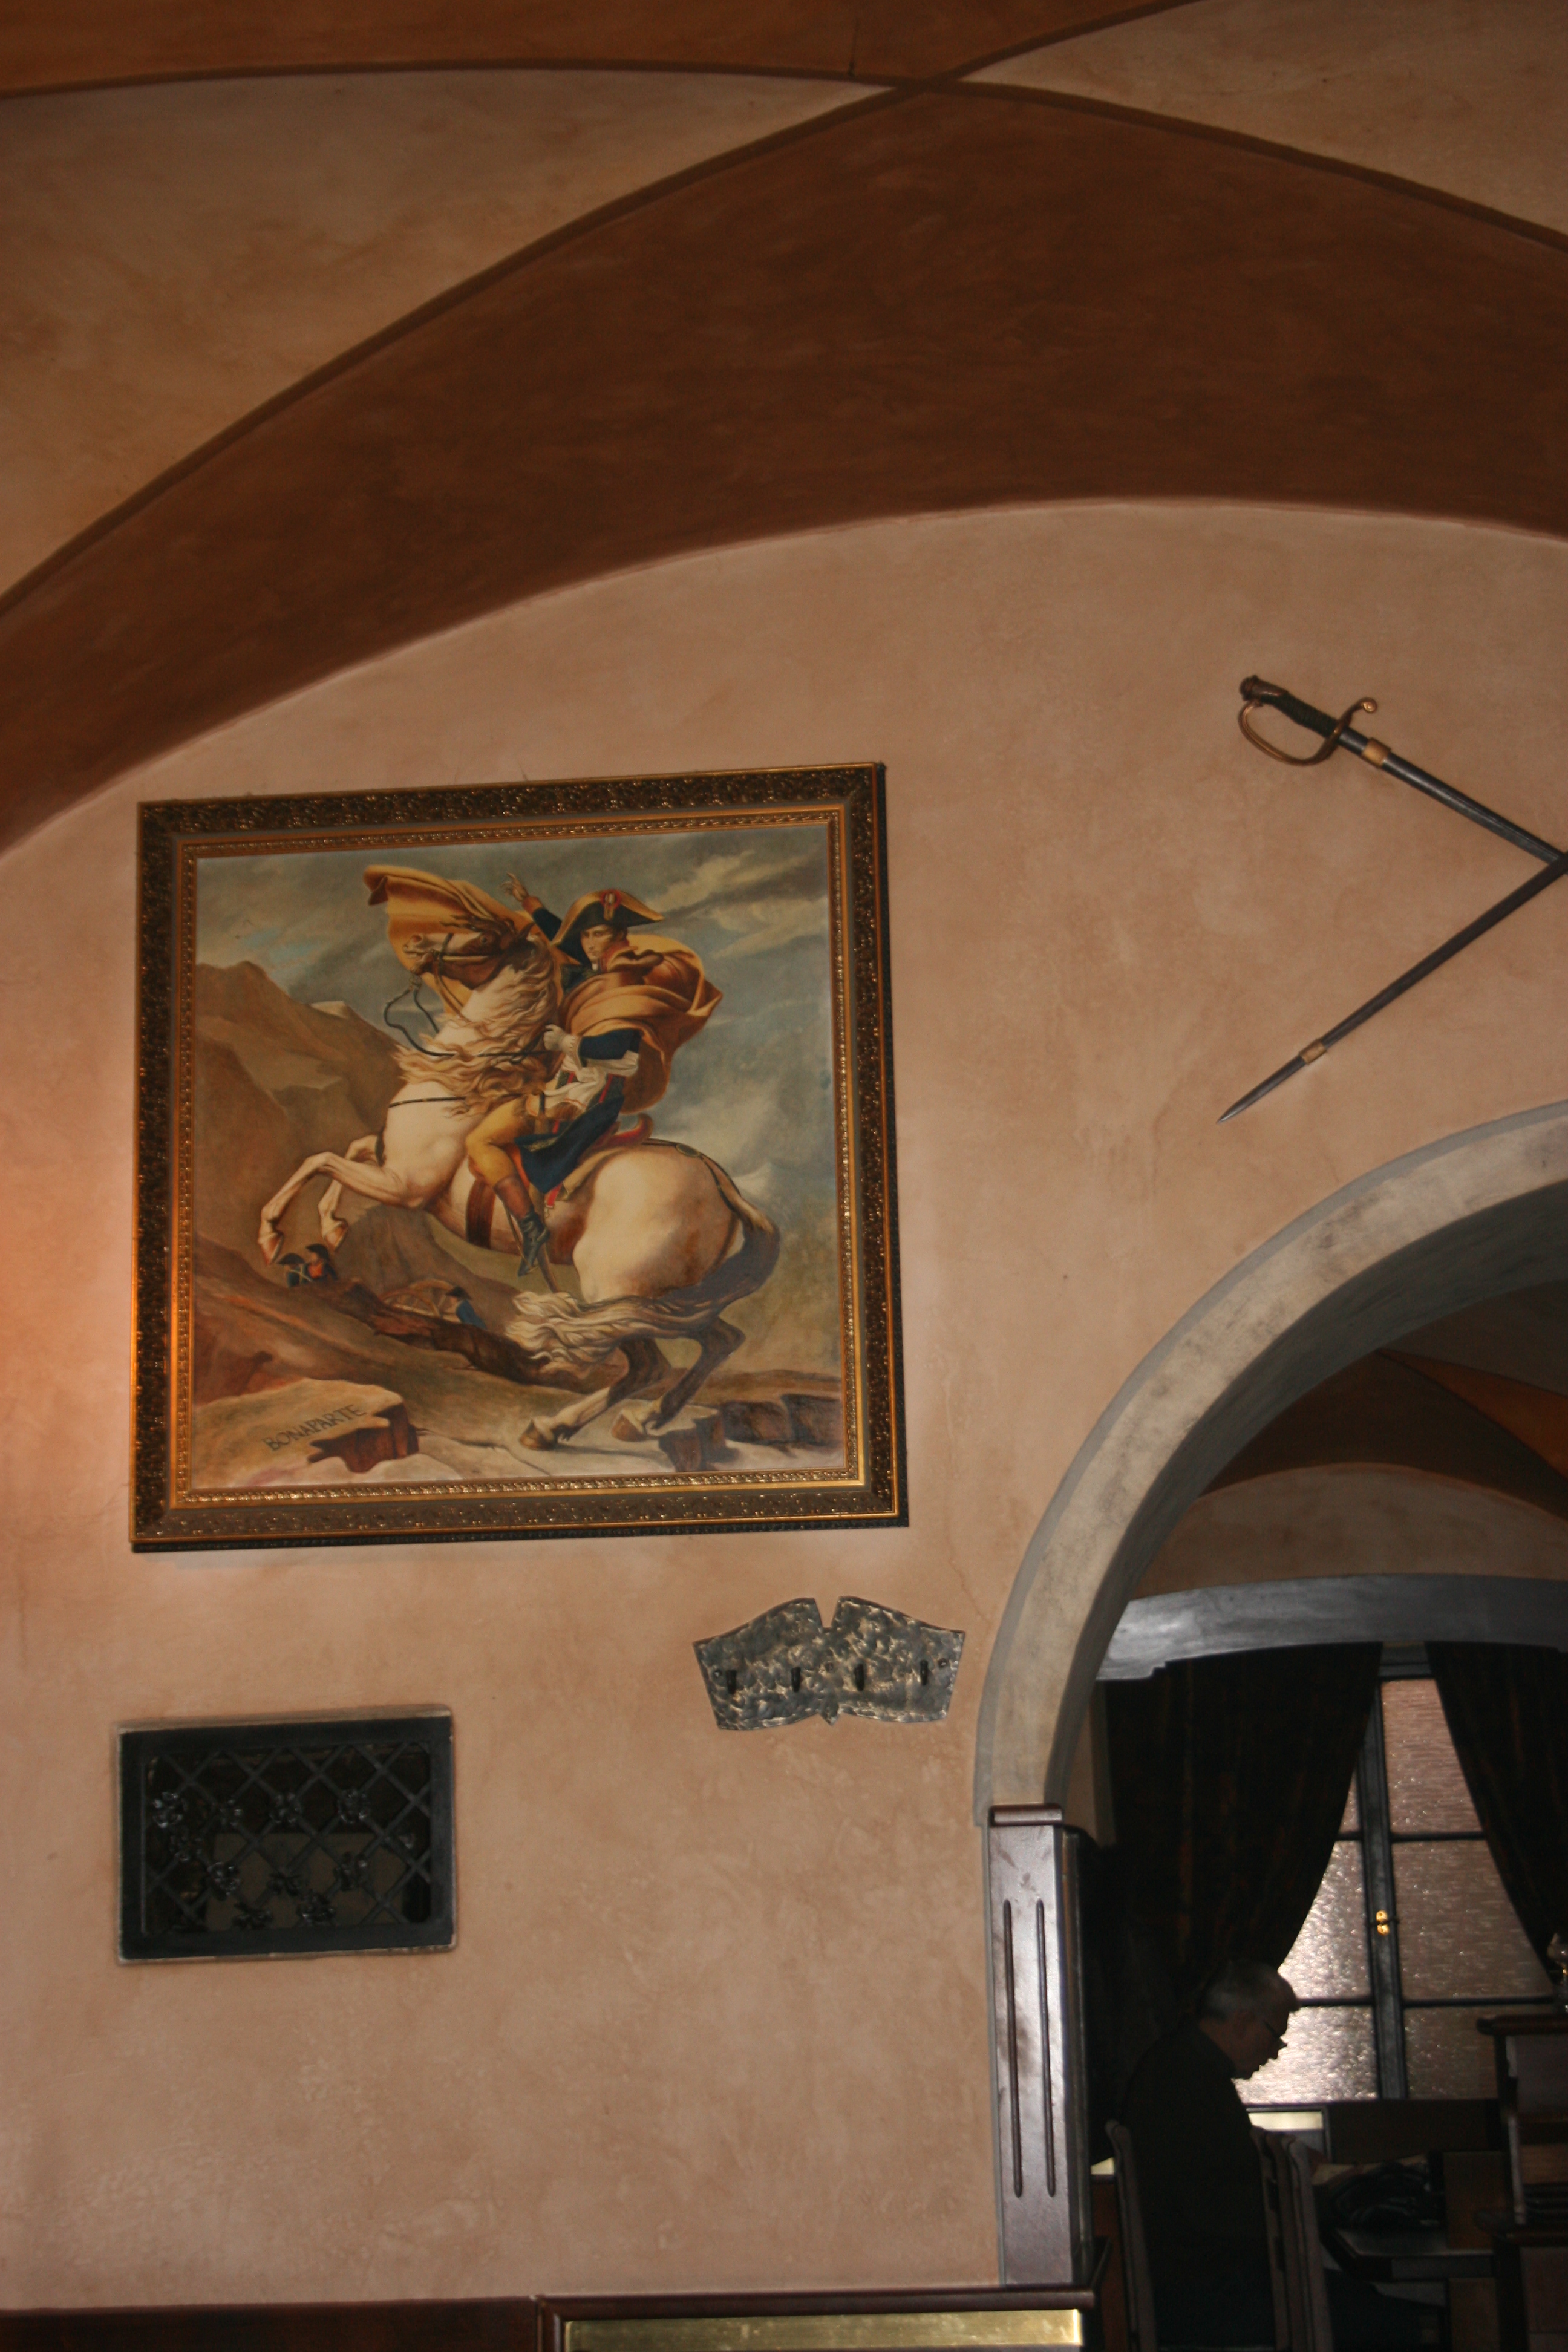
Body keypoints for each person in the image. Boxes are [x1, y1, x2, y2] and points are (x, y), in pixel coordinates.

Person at [1123, 1961, 1424, 2351]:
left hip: (1196, 2281)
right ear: (1243, 2021)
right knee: (1387, 2322)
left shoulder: (1184, 2065)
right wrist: (1323, 2198)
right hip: (1202, 2295)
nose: (1276, 2052)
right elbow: (1216, 2211)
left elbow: (1217, 2176)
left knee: (1368, 2306)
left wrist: (1280, 2163)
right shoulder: (1184, 2080)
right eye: (1275, 2036)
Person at [466, 887, 719, 1270]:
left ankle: (531, 1227)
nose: (587, 943)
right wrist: (532, 905)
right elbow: (563, 939)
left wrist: (565, 1042)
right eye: (585, 935)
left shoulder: (622, 980)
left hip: (586, 1099)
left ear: (619, 936)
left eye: (598, 934)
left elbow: (617, 1050)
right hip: (575, 1085)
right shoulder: (603, 970)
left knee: (480, 1139)